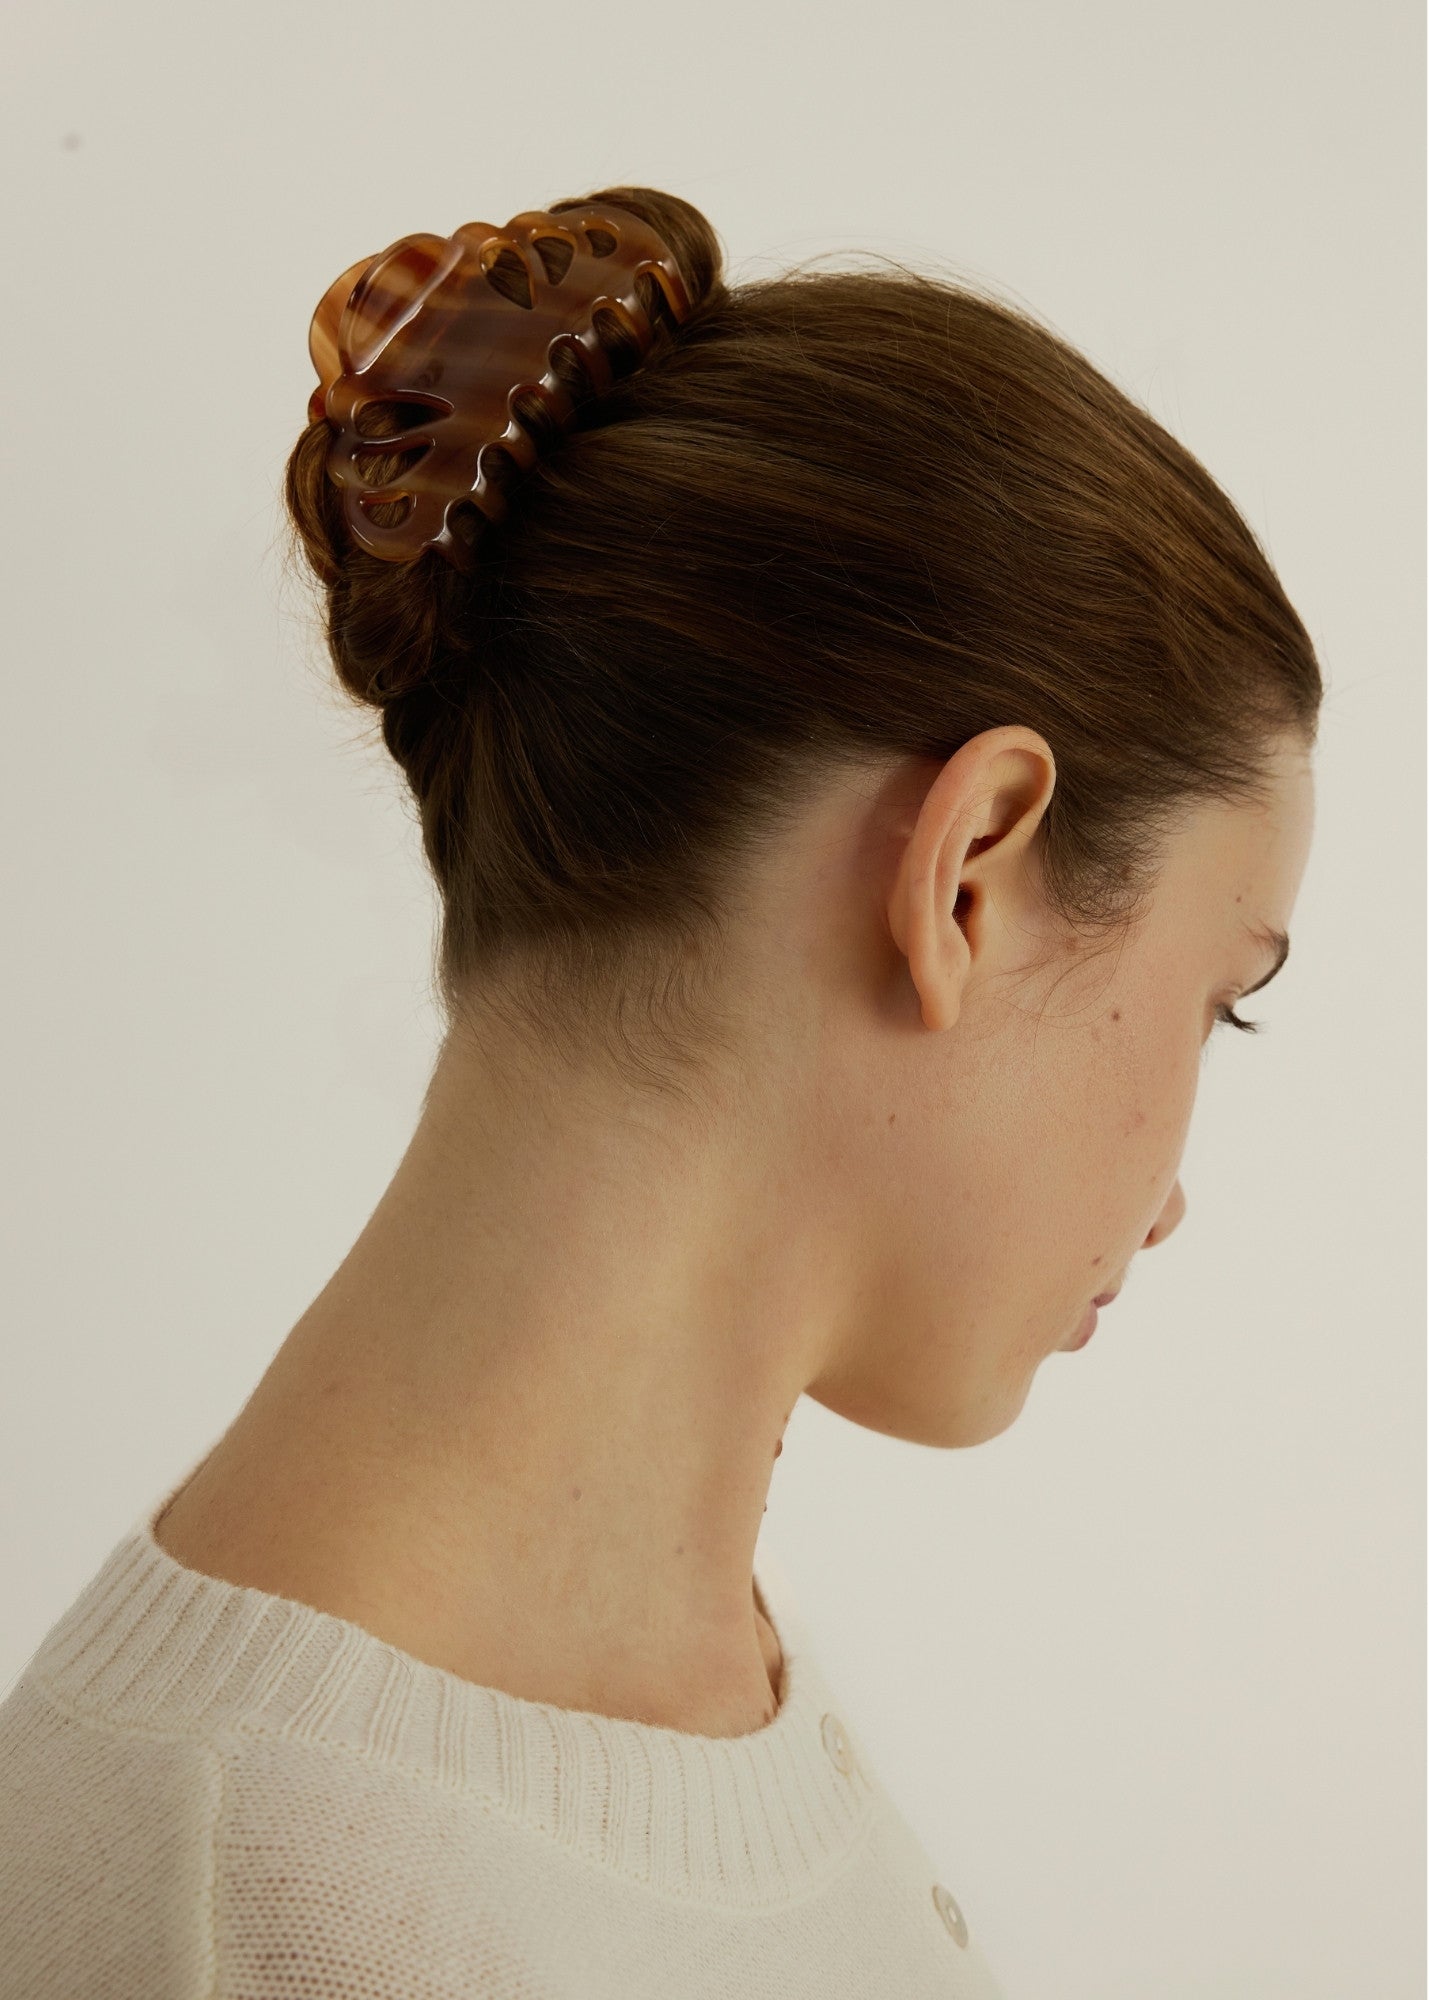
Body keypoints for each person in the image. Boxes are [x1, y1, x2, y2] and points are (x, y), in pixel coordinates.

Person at [0, 184, 1318, 1998]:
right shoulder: (275, 1918)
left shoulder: (648, 1702)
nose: (1172, 1193)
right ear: (967, 876)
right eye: (1215, 1004)